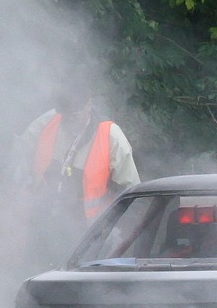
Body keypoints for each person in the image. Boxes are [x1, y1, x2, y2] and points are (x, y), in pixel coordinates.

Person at [7, 86, 141, 272]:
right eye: (66, 114)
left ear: (89, 104)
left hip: (89, 237)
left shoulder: (111, 136)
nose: (70, 120)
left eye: (75, 114)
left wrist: (117, 235)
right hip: (42, 228)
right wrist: (23, 181)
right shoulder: (46, 123)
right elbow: (18, 155)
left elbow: (131, 192)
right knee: (34, 284)